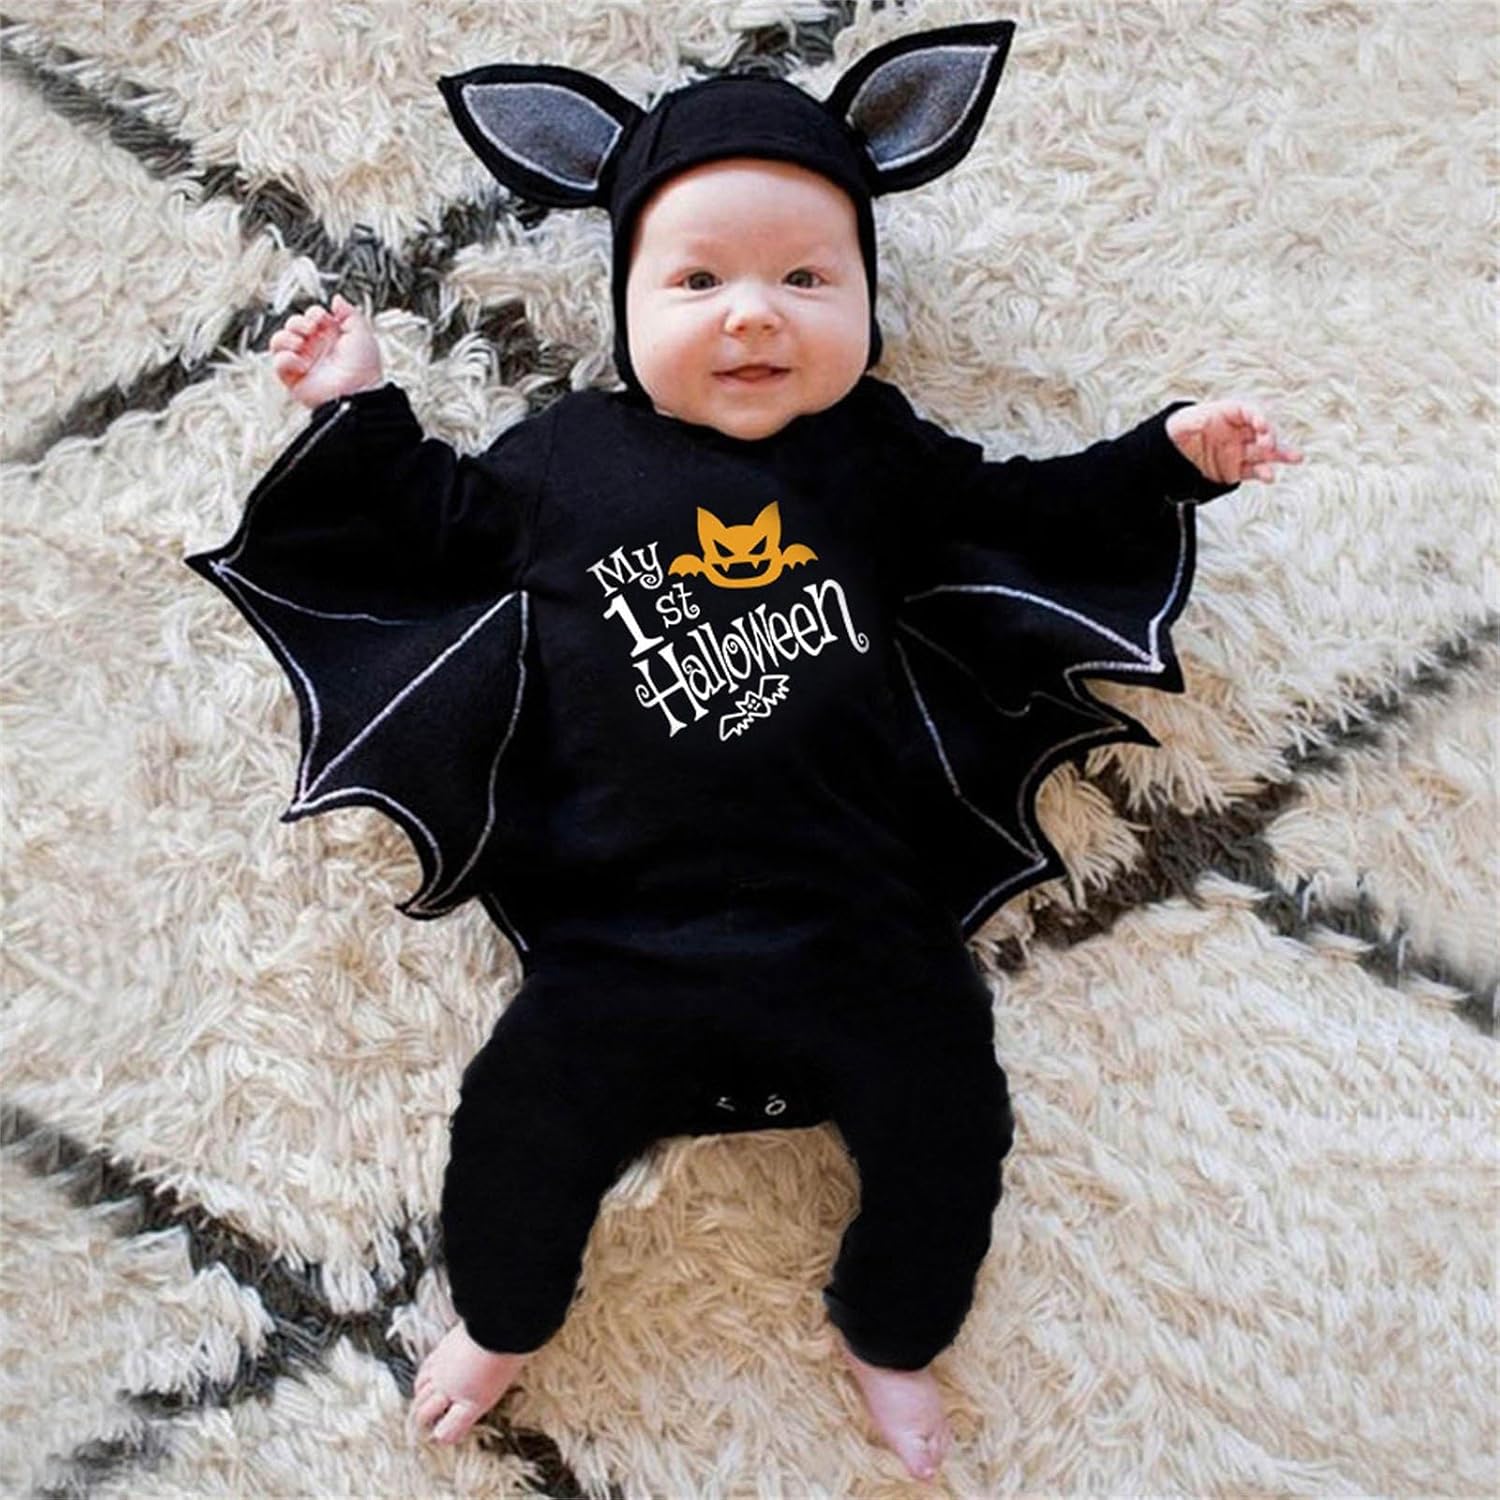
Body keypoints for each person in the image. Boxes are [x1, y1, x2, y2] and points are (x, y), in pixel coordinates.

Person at [187, 21, 1301, 1482]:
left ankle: (891, 1332)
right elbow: (432, 524)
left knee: (953, 1124)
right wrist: (360, 405)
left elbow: (1029, 511)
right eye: (698, 281)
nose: (753, 317)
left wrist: (1166, 458)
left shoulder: (875, 454)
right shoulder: (564, 462)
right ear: (625, 298)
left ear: (867, 296)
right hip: (615, 939)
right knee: (514, 1129)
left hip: (867, 931)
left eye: (807, 280)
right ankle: (505, 1321)